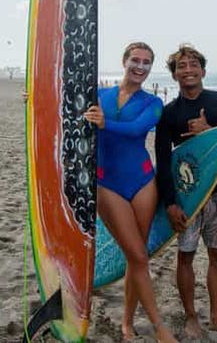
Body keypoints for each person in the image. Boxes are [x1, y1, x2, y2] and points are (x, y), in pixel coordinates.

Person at [83, 42, 178, 343]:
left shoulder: (153, 104)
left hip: (143, 183)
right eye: (135, 60)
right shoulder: (99, 95)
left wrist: (105, 123)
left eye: (147, 62)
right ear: (124, 61)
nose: (140, 66)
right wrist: (31, 100)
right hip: (107, 183)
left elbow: (138, 130)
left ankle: (126, 323)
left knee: (135, 257)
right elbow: (65, 110)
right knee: (138, 255)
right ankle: (159, 327)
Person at [155, 44, 217, 340]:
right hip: (186, 196)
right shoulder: (168, 114)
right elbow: (163, 160)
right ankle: (191, 316)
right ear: (175, 75)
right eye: (182, 66)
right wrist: (170, 203)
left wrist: (209, 129)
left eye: (193, 64)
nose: (188, 69)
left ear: (203, 71)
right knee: (185, 256)